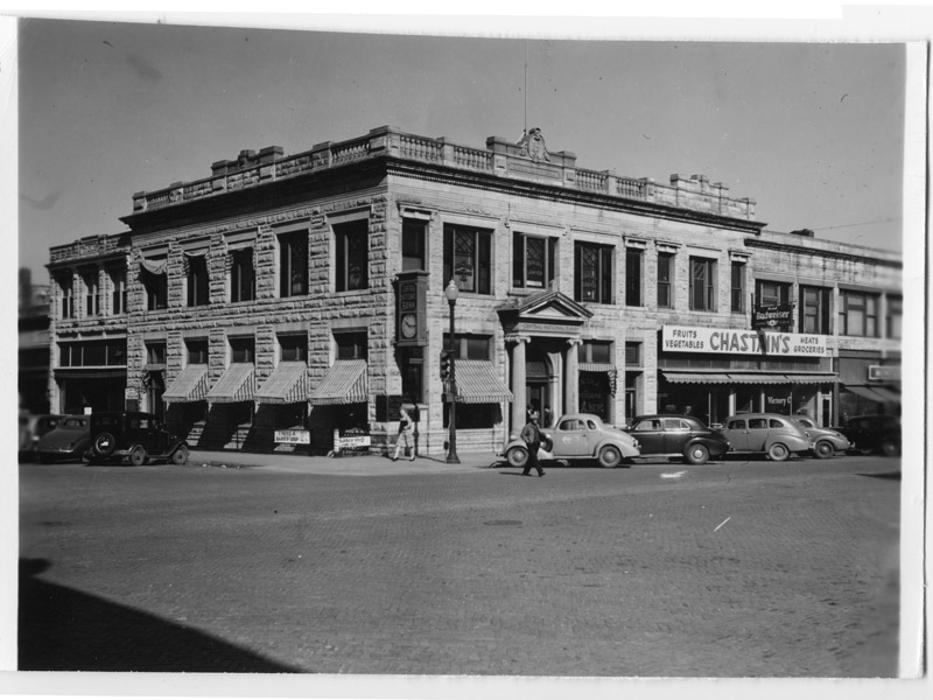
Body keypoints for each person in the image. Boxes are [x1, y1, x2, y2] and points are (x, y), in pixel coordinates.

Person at [520, 410, 545, 477]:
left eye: (536, 420)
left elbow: (539, 433)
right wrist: (527, 441)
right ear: (531, 420)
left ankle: (525, 471)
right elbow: (522, 435)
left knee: (531, 458)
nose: (536, 421)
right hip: (531, 444)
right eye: (534, 420)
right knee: (534, 458)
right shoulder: (527, 427)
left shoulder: (537, 426)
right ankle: (540, 471)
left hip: (537, 443)